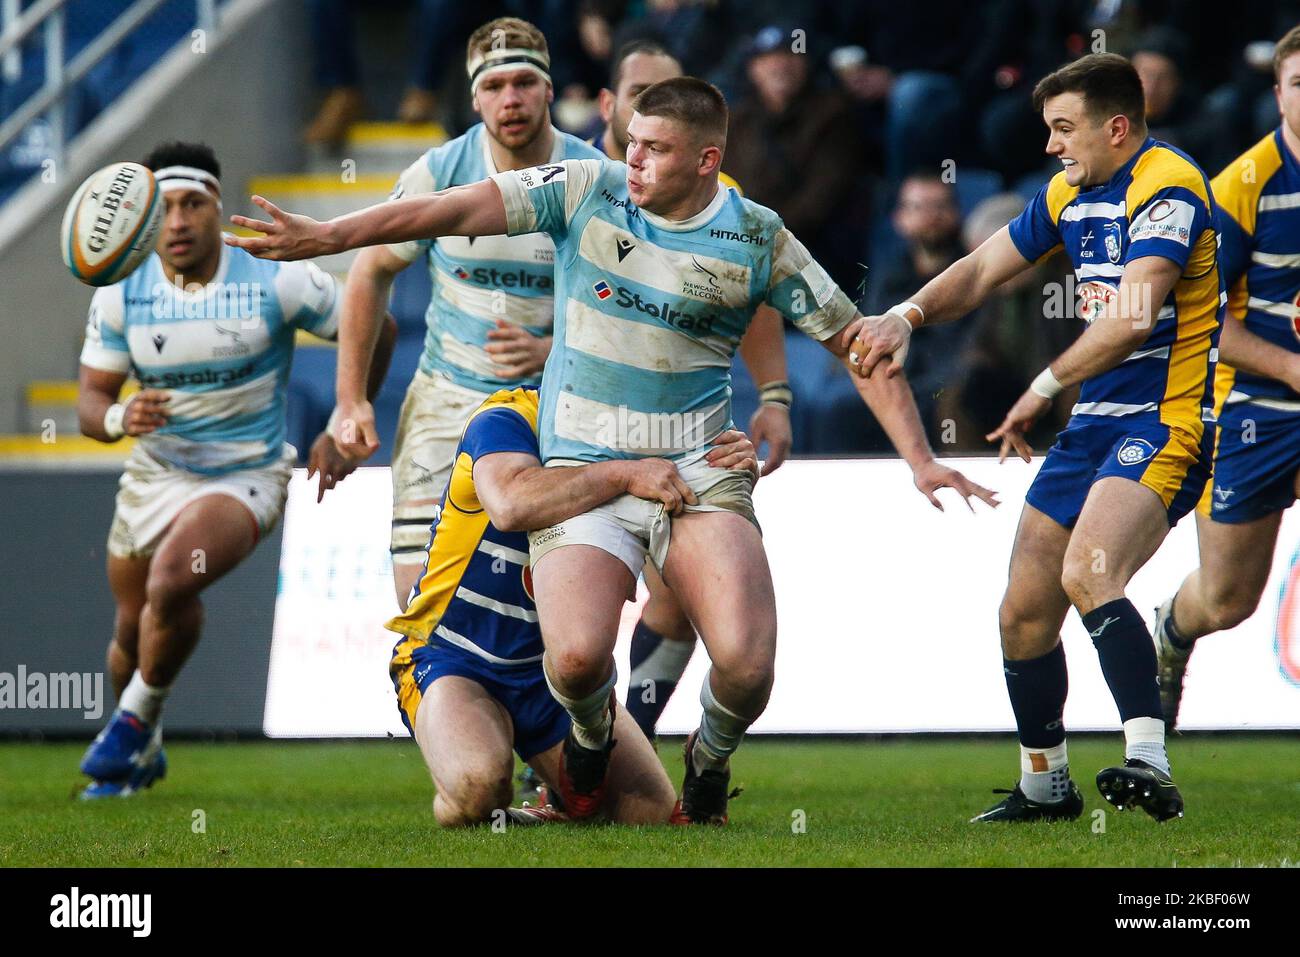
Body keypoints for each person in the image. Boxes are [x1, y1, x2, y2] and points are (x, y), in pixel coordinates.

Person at [225, 76, 998, 825]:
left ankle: (710, 759)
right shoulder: (584, 187)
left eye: (655, 149)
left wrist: (919, 458)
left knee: (748, 664)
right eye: (630, 143)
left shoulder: (757, 234)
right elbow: (453, 206)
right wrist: (333, 235)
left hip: (696, 466)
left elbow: (856, 344)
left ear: (705, 160)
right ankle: (588, 740)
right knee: (577, 660)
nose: (632, 160)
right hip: (582, 461)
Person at [853, 53, 1224, 823]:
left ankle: (1150, 762)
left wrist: (1044, 384)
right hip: (1094, 424)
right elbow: (984, 267)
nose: (1052, 146)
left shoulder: (1168, 186)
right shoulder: (1067, 192)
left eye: (1064, 128)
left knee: (1092, 568)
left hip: (1169, 416)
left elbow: (1130, 316)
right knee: (1023, 608)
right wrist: (907, 316)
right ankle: (1045, 783)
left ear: (1116, 127)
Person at [76, 141, 396, 798]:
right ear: (143, 218)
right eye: (165, 207)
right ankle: (145, 742)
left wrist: (344, 420)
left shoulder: (270, 272)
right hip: (154, 475)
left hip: (245, 474)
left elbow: (380, 326)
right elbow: (90, 402)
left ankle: (129, 723)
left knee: (171, 582)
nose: (181, 220)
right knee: (132, 626)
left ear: (217, 207)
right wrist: (119, 419)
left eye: (195, 203)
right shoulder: (120, 290)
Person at [387, 386, 758, 825]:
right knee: (478, 789)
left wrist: (725, 466)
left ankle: (548, 807)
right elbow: (510, 505)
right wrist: (624, 477)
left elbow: (687, 516)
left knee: (650, 813)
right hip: (455, 657)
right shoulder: (508, 419)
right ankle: (461, 801)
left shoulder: (638, 439)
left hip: (549, 672)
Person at [590, 37, 794, 743]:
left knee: (672, 599)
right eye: (640, 93)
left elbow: (756, 299)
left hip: (663, 427)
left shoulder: (725, 207)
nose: (651, 106)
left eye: (666, 93)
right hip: (544, 414)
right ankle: (556, 750)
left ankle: (626, 742)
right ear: (611, 105)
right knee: (550, 605)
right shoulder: (576, 178)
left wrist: (774, 393)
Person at [1154, 26, 1300, 730]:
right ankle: (1171, 634)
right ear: (1278, 94)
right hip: (1255, 406)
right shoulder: (1240, 187)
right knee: (1225, 599)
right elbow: (1204, 321)